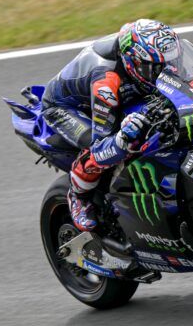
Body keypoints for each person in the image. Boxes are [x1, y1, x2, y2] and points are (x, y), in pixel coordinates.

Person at [41, 19, 181, 231]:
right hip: (65, 108)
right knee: (117, 144)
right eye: (154, 67)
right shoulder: (106, 85)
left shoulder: (141, 52)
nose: (164, 70)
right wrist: (122, 137)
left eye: (169, 63)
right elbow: (101, 144)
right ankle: (79, 195)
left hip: (117, 91)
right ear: (133, 62)